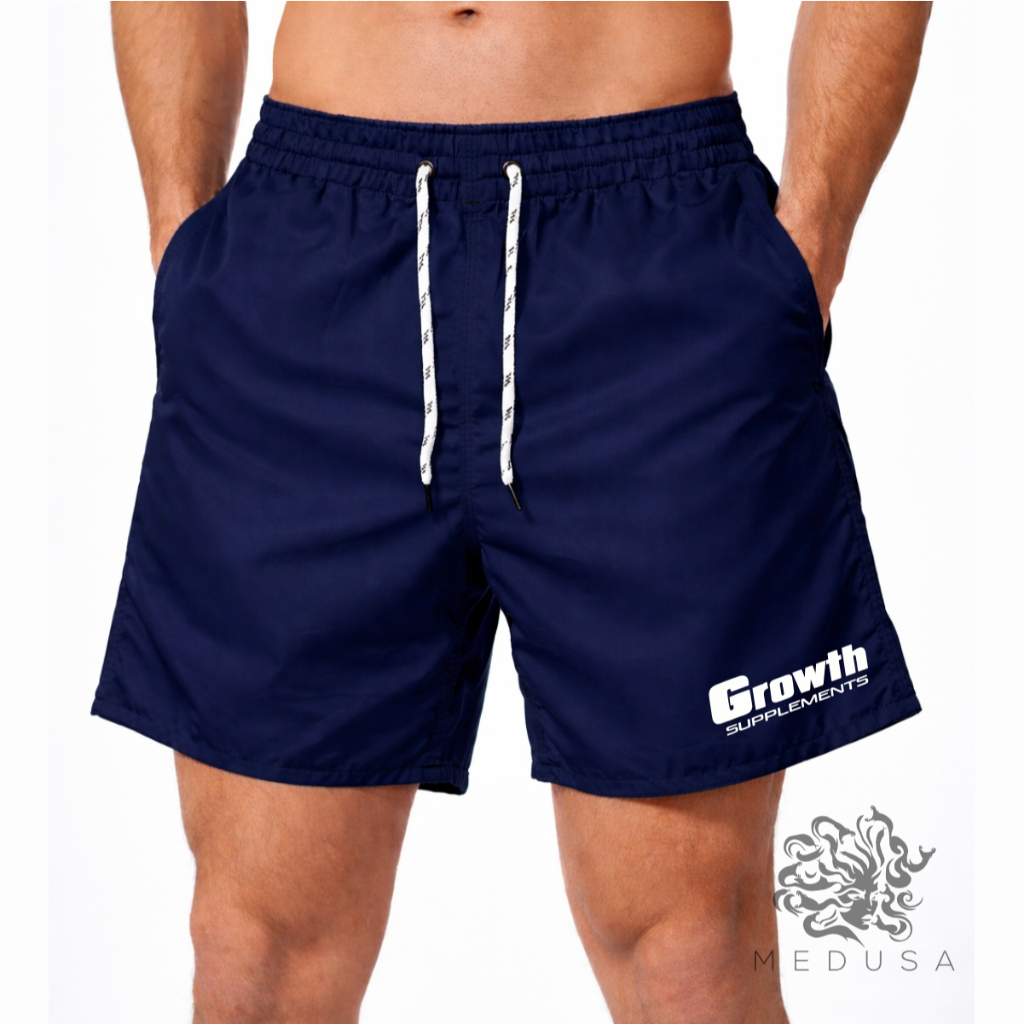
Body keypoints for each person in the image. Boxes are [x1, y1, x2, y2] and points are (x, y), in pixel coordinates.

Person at [93, 3, 932, 1021]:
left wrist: (813, 238)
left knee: (691, 954)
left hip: (655, 271)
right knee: (254, 954)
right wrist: (177, 232)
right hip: (306, 274)